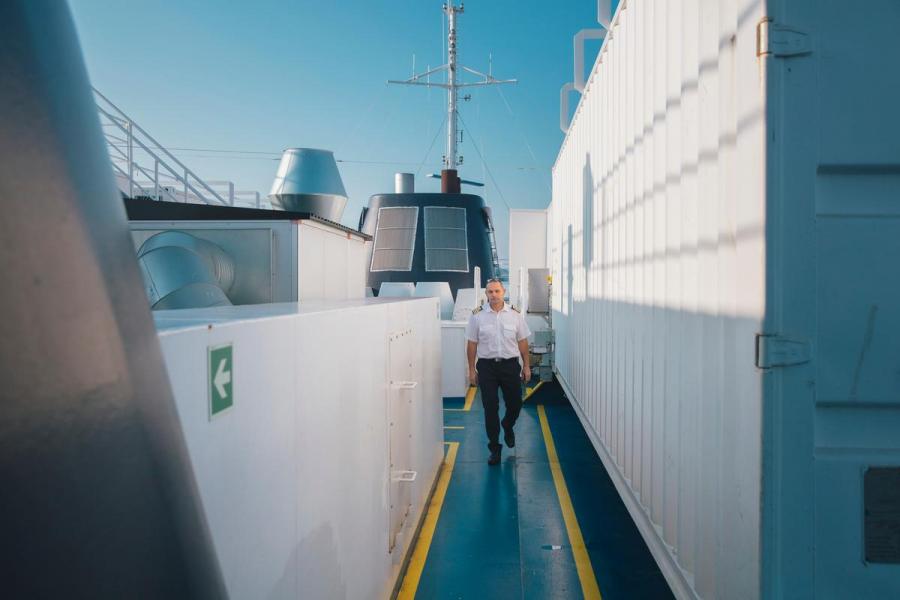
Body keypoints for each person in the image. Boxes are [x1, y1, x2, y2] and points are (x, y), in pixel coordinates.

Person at [466, 278, 531, 466]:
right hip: (487, 368)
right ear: (486, 294)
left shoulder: (515, 315)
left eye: (497, 291)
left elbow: (523, 342)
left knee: (515, 404)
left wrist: (526, 365)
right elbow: (471, 344)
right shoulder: (477, 316)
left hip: (510, 366)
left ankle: (508, 425)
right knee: (490, 408)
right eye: (490, 292)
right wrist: (471, 370)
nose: (493, 295)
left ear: (504, 292)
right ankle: (494, 447)